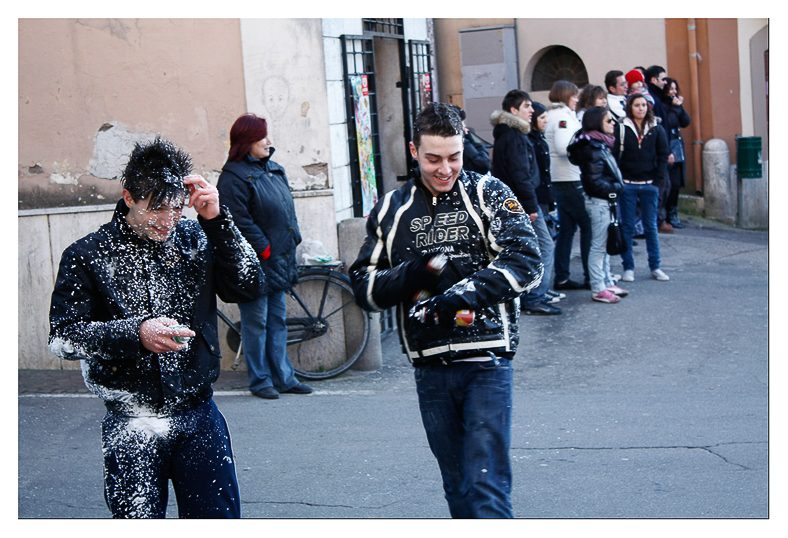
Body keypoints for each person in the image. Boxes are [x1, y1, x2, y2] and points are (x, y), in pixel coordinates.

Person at [48, 136, 265, 518]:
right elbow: (63, 337)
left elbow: (250, 285)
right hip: (131, 420)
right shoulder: (88, 255)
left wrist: (217, 220)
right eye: (156, 208)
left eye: (177, 209)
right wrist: (136, 333)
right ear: (129, 196)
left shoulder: (196, 238)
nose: (168, 220)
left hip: (198, 414)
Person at [349, 102, 543, 518]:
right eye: (433, 158)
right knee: (457, 490)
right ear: (413, 151)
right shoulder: (390, 209)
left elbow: (528, 262)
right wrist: (412, 274)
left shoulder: (488, 192)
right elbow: (362, 287)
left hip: (487, 360)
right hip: (430, 369)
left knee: (485, 488)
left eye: (453, 157)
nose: (445, 168)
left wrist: (457, 297)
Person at [216, 113, 313, 400]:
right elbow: (238, 220)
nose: (268, 141)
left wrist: (292, 236)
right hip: (256, 262)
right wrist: (264, 248)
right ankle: (260, 381)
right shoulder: (233, 177)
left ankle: (283, 377)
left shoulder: (273, 169)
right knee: (256, 324)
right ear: (246, 142)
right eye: (262, 137)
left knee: (277, 321)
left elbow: (285, 209)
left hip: (280, 258)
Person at [491, 90, 560, 315]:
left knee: (530, 248)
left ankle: (533, 293)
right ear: (514, 110)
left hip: (518, 203)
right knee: (544, 246)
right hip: (523, 204)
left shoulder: (511, 134)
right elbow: (521, 175)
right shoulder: (514, 136)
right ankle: (534, 297)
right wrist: (531, 207)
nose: (532, 110)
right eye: (527, 106)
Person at [567, 106, 630, 303]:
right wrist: (614, 188)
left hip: (605, 201)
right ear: (597, 124)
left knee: (604, 242)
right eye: (608, 121)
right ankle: (598, 287)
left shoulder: (600, 144)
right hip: (600, 202)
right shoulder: (593, 147)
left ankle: (606, 281)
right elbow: (593, 181)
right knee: (598, 246)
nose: (613, 124)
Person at [614, 95, 670, 282]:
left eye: (644, 105)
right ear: (630, 107)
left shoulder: (656, 128)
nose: (641, 109)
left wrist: (657, 181)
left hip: (649, 185)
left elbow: (663, 155)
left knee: (651, 227)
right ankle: (628, 267)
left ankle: (655, 266)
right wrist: (620, 180)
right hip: (628, 184)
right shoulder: (621, 128)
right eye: (637, 105)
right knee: (628, 226)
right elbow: (615, 156)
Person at [545, 80, 592, 290]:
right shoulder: (563, 117)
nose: (576, 99)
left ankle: (562, 276)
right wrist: (586, 144)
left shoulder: (552, 115)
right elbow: (564, 148)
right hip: (568, 178)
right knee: (588, 226)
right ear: (565, 96)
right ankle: (593, 276)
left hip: (559, 178)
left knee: (567, 229)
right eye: (574, 96)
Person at [529, 102, 565, 304]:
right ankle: (537, 293)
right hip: (534, 201)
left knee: (546, 243)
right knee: (545, 245)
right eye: (542, 117)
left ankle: (542, 289)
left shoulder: (537, 139)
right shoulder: (528, 140)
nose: (546, 120)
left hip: (542, 199)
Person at [661, 77, 691, 229]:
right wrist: (675, 108)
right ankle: (666, 214)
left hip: (677, 144)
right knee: (669, 182)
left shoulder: (675, 105)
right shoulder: (663, 106)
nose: (673, 92)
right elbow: (670, 122)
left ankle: (673, 212)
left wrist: (680, 107)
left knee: (677, 182)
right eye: (670, 89)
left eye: (675, 89)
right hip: (669, 144)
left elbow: (686, 121)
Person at [451, 105, 491, 174]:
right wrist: (469, 137)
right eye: (463, 122)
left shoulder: (462, 142)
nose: (465, 125)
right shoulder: (463, 143)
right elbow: (483, 163)